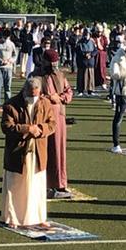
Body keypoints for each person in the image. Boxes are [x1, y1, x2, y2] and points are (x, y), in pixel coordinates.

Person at [0, 78, 56, 228]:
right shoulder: (11, 104)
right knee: (16, 185)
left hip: (38, 151)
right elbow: (6, 127)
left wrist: (40, 129)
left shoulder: (45, 103)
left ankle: (39, 216)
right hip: (17, 152)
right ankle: (13, 218)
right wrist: (26, 129)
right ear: (24, 91)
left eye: (36, 95)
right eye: (30, 96)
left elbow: (52, 124)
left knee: (37, 185)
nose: (33, 98)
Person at [33, 49, 74, 199]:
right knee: (44, 150)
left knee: (59, 150)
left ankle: (60, 183)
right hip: (42, 118)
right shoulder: (36, 76)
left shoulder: (60, 75)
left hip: (59, 118)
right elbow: (31, 94)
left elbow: (69, 92)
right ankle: (42, 184)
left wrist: (61, 98)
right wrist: (48, 98)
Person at [0, 29, 18, 109]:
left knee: (8, 87)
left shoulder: (11, 44)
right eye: (4, 37)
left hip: (8, 68)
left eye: (7, 37)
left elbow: (15, 55)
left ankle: (7, 103)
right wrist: (1, 61)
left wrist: (10, 60)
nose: (5, 39)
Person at [76, 30, 97, 96]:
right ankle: (80, 90)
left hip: (90, 61)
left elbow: (95, 50)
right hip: (82, 61)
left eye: (87, 35)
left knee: (90, 76)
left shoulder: (92, 42)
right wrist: (84, 55)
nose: (86, 36)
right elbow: (77, 50)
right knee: (81, 76)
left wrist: (91, 55)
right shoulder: (79, 42)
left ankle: (90, 90)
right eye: (85, 34)